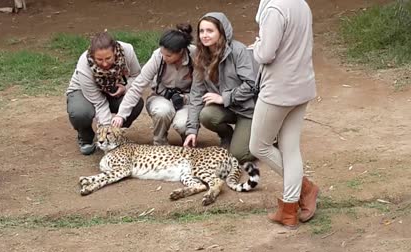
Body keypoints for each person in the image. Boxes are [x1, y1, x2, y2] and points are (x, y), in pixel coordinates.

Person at [249, 0, 320, 229]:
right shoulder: (301, 4)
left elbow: (266, 54)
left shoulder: (274, 9)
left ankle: (305, 189)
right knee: (290, 149)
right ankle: (289, 209)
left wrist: (256, 46)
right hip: (302, 86)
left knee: (258, 146)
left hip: (279, 90)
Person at [183, 12, 259, 165]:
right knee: (207, 115)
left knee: (239, 155)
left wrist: (224, 98)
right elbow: (196, 93)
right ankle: (228, 135)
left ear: (222, 31)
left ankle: (266, 138)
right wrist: (191, 130)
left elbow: (252, 85)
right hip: (228, 108)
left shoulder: (238, 50)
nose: (204, 35)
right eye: (202, 31)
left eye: (210, 31)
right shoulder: (201, 55)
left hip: (248, 110)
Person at [111, 24, 195, 145]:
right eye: (162, 53)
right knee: (162, 111)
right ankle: (159, 144)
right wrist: (121, 115)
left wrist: (187, 98)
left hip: (187, 100)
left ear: (181, 51)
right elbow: (137, 86)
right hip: (161, 97)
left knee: (183, 124)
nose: (164, 57)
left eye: (169, 55)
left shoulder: (195, 55)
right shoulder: (158, 56)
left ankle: (187, 141)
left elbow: (202, 88)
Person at [66, 32, 144, 155]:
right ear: (92, 55)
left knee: (136, 103)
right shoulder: (84, 63)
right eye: (99, 59)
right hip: (83, 91)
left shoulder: (127, 50)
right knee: (80, 112)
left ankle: (116, 135)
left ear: (115, 51)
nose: (105, 63)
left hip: (114, 90)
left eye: (108, 58)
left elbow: (137, 76)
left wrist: (125, 87)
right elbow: (99, 102)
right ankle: (85, 136)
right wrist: (106, 127)